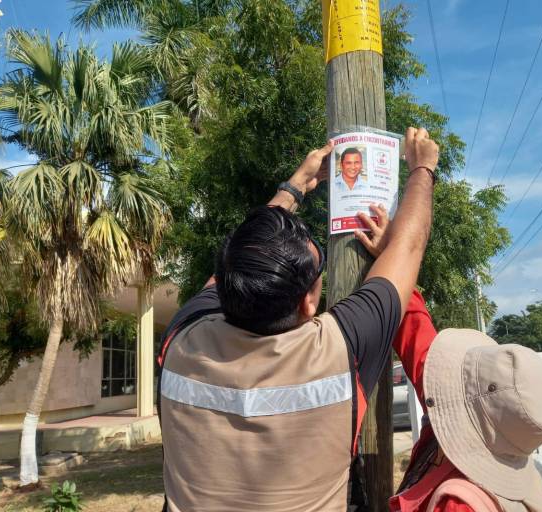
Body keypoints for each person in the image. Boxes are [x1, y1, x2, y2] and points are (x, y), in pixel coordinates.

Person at [157, 127, 439, 511]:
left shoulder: (182, 340)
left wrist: (295, 186)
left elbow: (240, 261)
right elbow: (407, 247)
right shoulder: (338, 351)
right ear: (308, 302)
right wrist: (423, 168)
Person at [356, 210, 542, 512]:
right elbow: (417, 339)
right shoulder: (502, 444)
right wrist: (394, 257)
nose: (441, 388)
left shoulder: (460, 503)